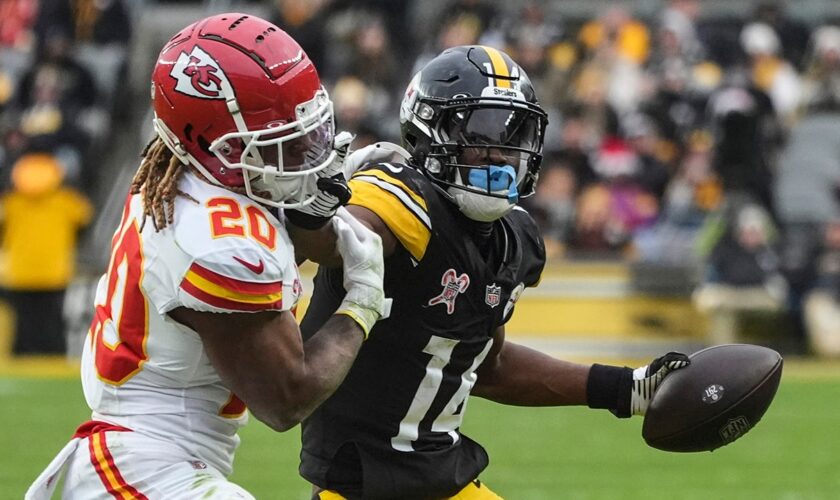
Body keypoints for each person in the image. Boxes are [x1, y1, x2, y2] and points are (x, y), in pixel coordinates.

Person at [298, 45, 690, 499]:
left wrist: (625, 388)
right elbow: (335, 246)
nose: (501, 154)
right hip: (361, 487)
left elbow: (489, 363)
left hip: (445, 479)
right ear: (428, 130)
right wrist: (317, 212)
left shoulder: (513, 238)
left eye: (515, 135)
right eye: (481, 135)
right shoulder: (399, 199)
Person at [26, 13, 388, 499]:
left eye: (308, 134)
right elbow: (287, 397)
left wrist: (316, 203)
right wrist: (362, 302)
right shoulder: (218, 243)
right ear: (213, 144)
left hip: (148, 457)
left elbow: (290, 244)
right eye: (283, 144)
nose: (307, 154)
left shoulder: (188, 175)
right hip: (144, 464)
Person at [0, 152, 92, 354]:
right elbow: (85, 222)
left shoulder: (10, 202)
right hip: (54, 273)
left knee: (23, 328)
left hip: (19, 273)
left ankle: (23, 363)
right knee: (52, 326)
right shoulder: (67, 201)